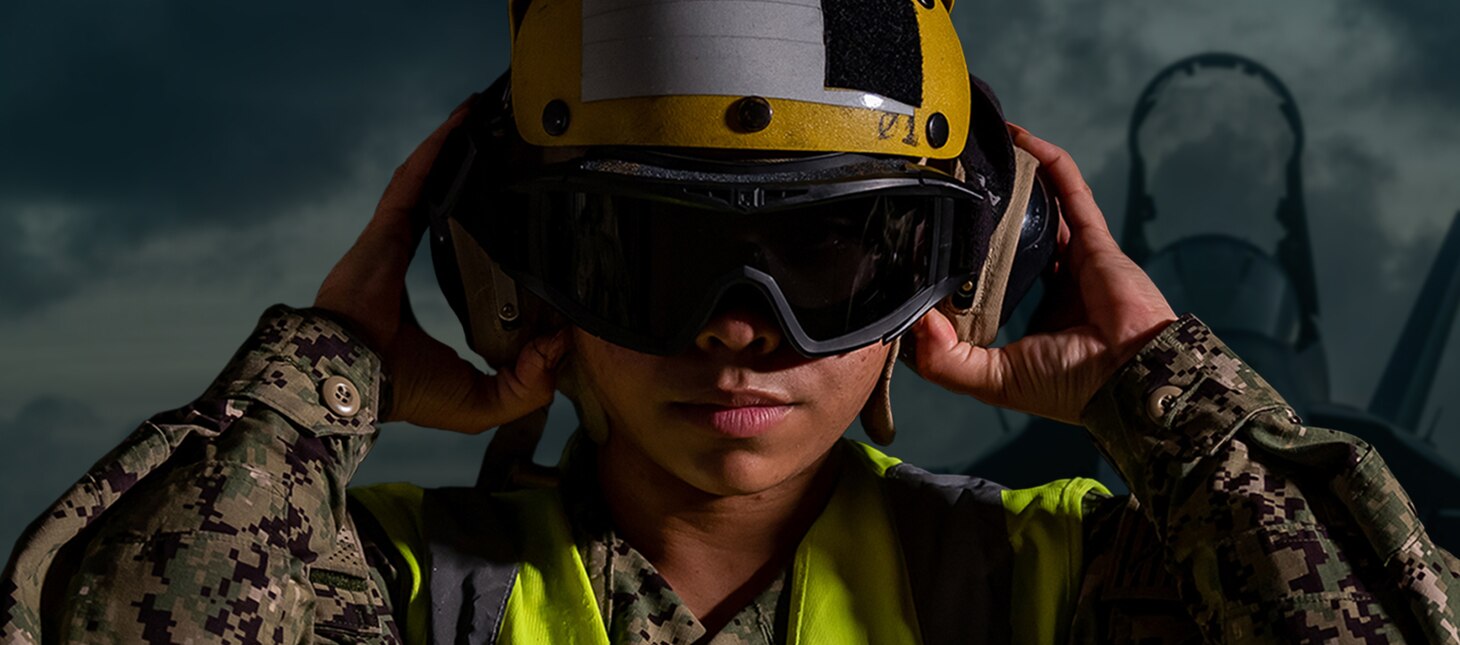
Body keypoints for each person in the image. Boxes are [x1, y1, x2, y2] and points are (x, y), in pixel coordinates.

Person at [4, 2, 1458, 643]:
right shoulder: (384, 592)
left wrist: (1163, 394)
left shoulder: (1053, 582)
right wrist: (320, 378)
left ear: (952, 278)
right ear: (516, 279)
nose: (738, 335)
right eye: (652, 253)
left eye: (827, 254)